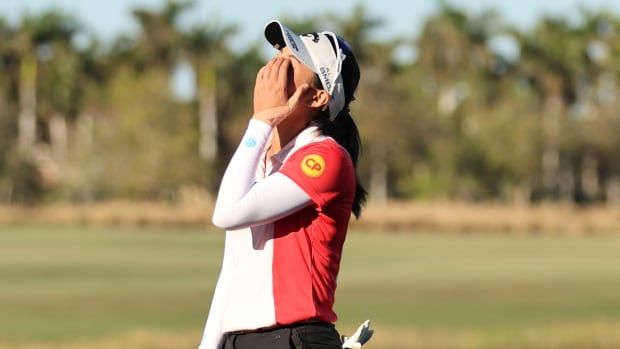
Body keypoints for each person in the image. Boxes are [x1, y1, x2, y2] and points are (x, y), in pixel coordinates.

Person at [198, 20, 368, 349]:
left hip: (294, 338)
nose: (277, 61)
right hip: (242, 341)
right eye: (280, 51)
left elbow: (226, 213)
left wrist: (261, 121)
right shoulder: (262, 158)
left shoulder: (326, 157)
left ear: (318, 96)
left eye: (294, 59)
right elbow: (234, 271)